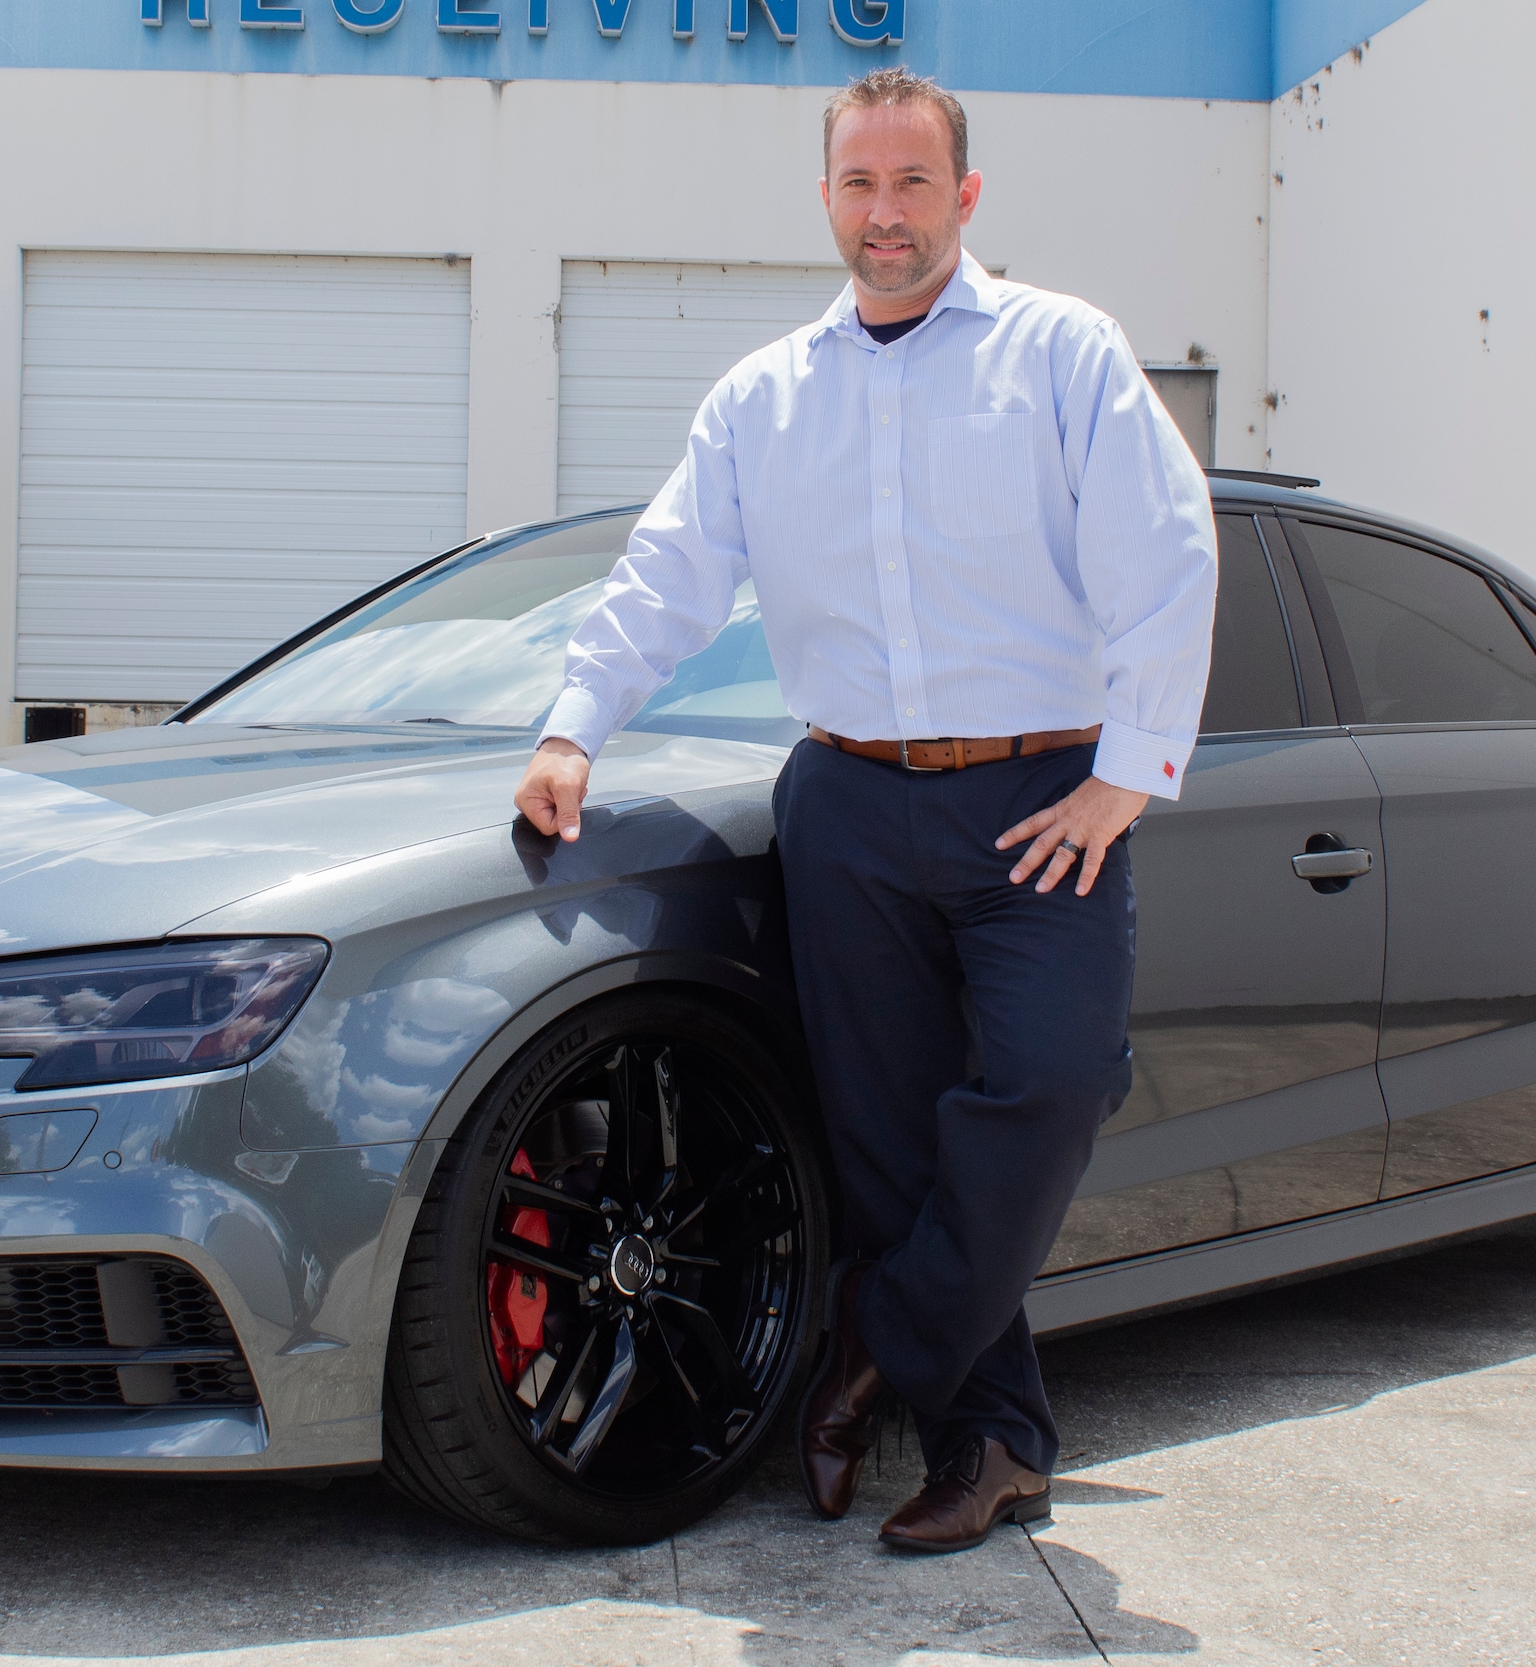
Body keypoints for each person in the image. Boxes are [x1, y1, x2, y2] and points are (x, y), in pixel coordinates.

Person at [511, 67, 1216, 1554]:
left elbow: (1166, 553)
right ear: (824, 197)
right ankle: (993, 1440)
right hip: (846, 801)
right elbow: (667, 577)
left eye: (912, 185)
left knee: (1052, 1081)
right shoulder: (767, 399)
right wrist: (577, 727)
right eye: (857, 185)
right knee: (888, 1142)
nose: (883, 214)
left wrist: (1124, 773)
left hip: (1042, 797)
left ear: (965, 197)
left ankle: (870, 1343)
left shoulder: (1062, 353)